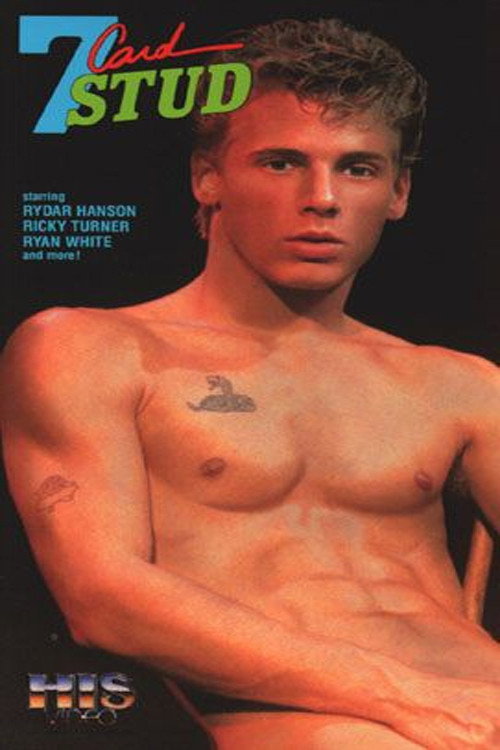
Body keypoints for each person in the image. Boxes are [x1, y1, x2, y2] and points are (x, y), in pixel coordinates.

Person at [2, 17, 500, 749]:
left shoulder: (461, 384)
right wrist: (406, 696)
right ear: (207, 177)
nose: (322, 198)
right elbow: (103, 596)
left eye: (358, 168)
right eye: (281, 162)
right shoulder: (90, 348)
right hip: (342, 726)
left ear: (398, 191)